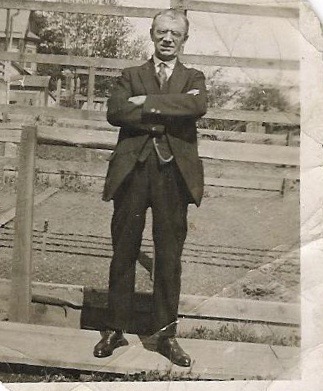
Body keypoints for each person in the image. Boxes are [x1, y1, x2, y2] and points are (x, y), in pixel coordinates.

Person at [94, 8, 207, 367]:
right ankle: (115, 328)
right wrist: (169, 109)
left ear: (184, 39)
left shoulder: (195, 75)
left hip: (174, 176)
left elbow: (196, 105)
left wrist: (146, 103)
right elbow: (116, 112)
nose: (168, 38)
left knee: (169, 256)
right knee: (123, 251)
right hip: (133, 172)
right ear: (152, 35)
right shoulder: (131, 75)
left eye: (175, 33)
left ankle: (165, 335)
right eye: (161, 32)